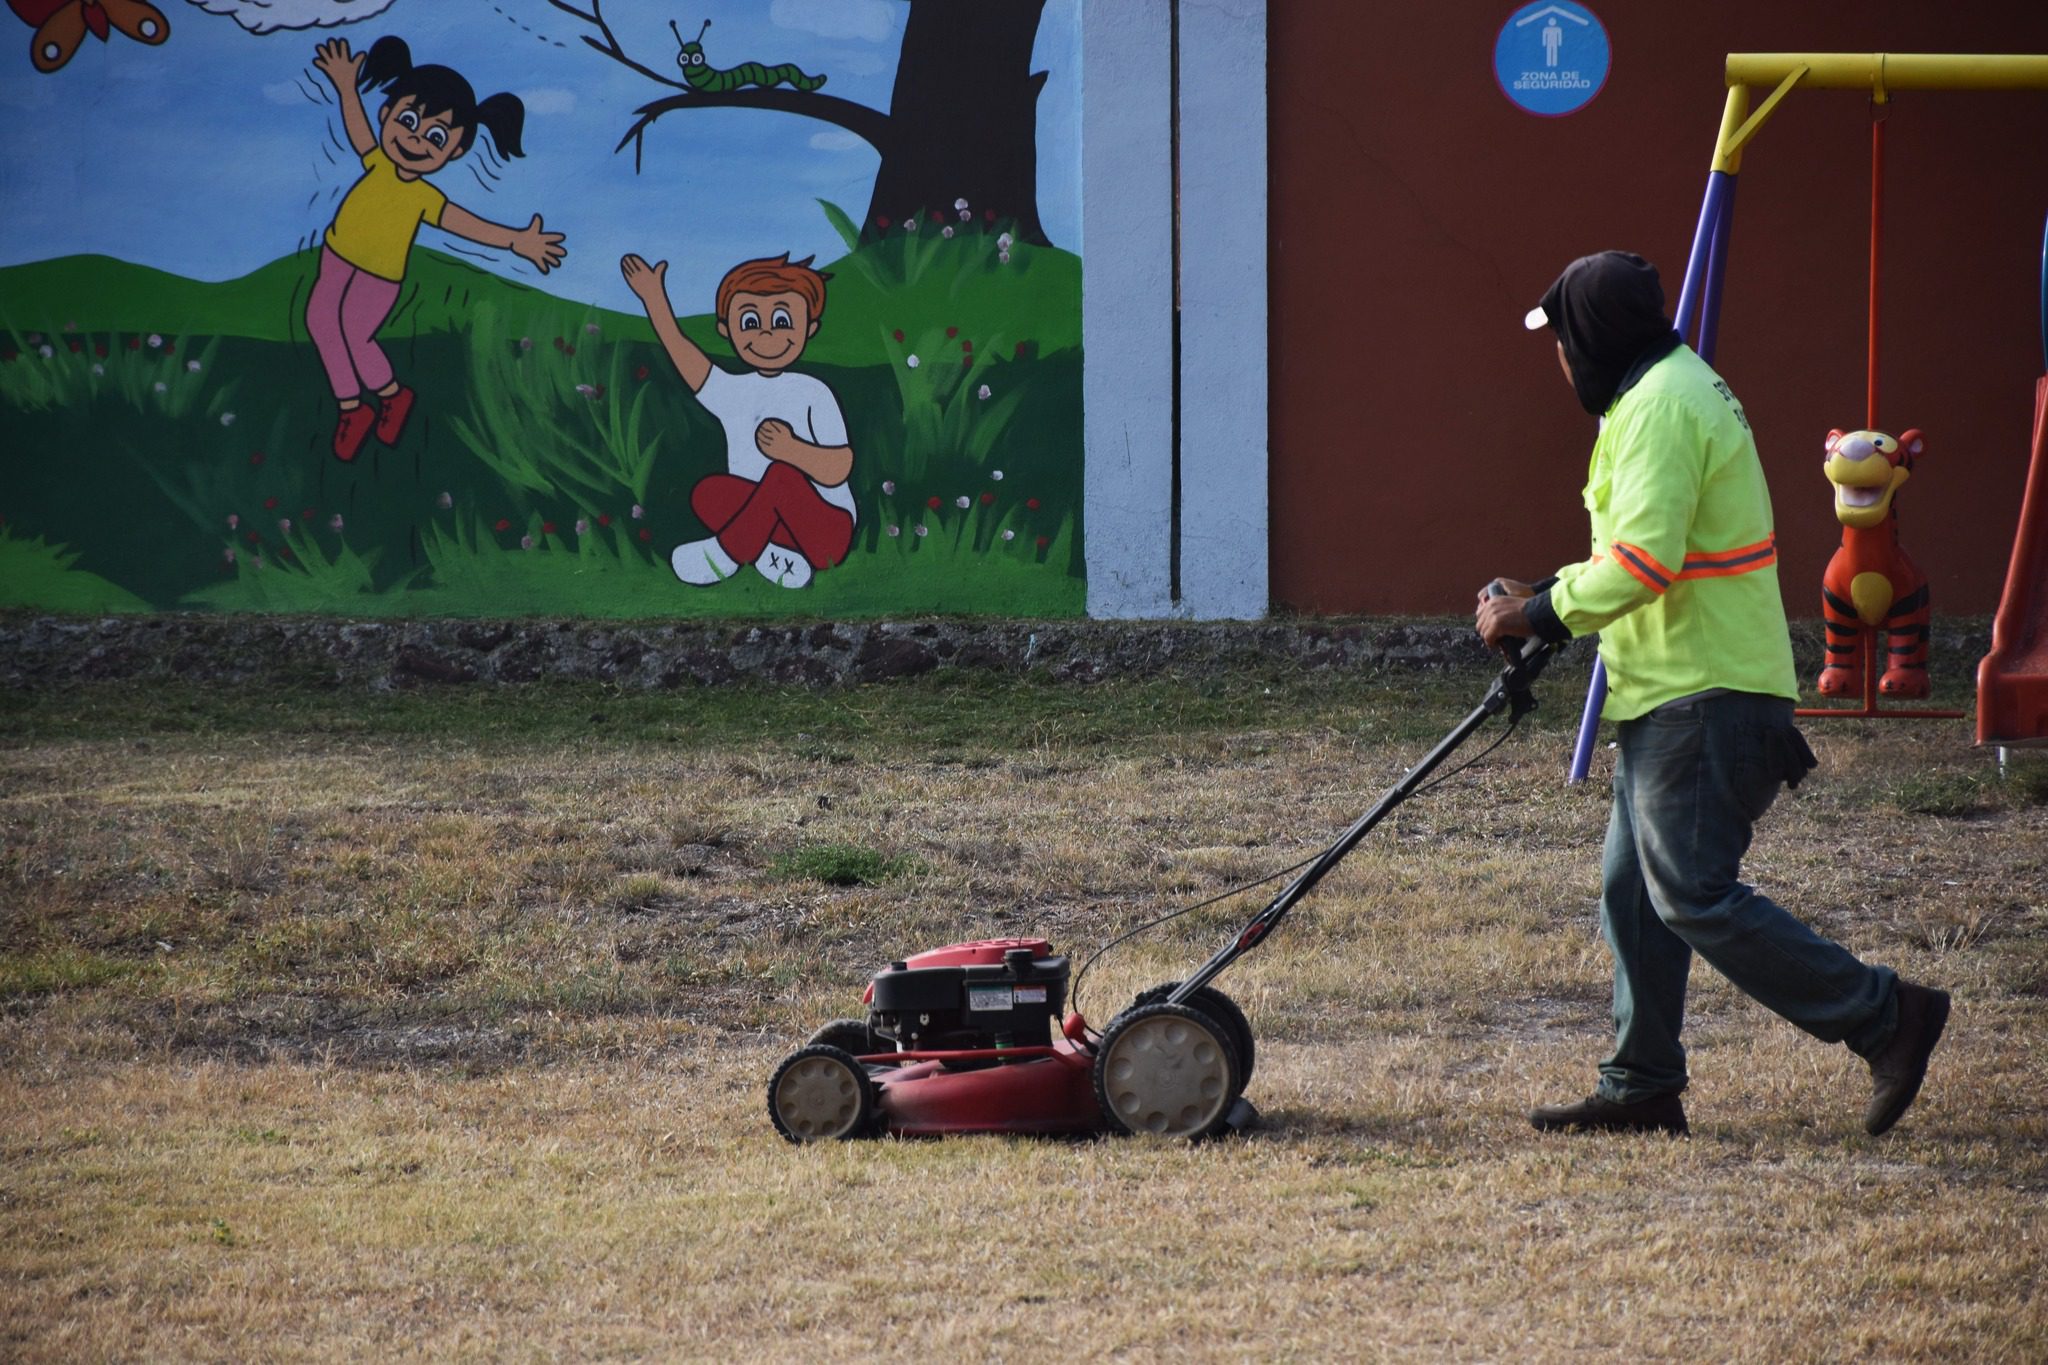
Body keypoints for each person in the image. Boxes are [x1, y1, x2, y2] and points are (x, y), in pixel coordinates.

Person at [1476, 251, 1949, 1138]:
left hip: (1707, 692)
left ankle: (1888, 1016)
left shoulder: (1661, 405)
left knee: (1690, 893)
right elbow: (1643, 547)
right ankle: (1642, 1084)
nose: (1559, 360)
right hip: (1678, 689)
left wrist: (1539, 613)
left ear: (1594, 335)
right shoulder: (1662, 393)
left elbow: (1646, 564)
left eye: (1562, 341)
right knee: (1634, 891)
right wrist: (1538, 595)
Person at [308, 36, 567, 462]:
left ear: (456, 149)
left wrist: (516, 240)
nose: (416, 140)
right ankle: (351, 408)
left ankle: (392, 396)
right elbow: (358, 132)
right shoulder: (377, 160)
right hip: (337, 253)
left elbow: (467, 225)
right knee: (320, 321)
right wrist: (346, 86)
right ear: (387, 113)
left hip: (379, 275)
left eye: (436, 137)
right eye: (408, 121)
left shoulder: (424, 197)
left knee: (355, 335)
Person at [620, 250, 856, 590]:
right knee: (709, 492)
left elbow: (839, 467)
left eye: (782, 321)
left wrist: (791, 450)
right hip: (780, 529)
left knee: (782, 477)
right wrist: (654, 298)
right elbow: (683, 354)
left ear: (811, 328)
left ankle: (725, 556)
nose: (765, 335)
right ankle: (776, 558)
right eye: (749, 322)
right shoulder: (733, 389)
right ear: (725, 328)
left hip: (827, 532)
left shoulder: (813, 392)